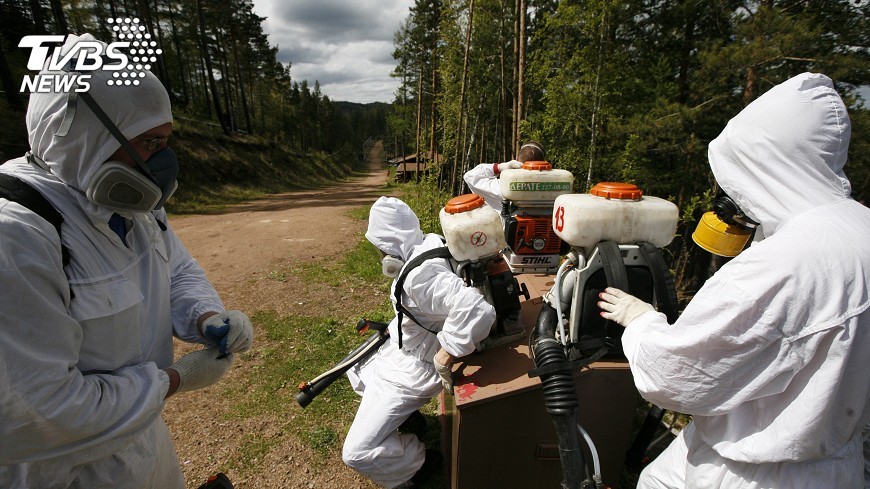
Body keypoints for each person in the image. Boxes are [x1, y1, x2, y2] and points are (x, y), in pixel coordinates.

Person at [0, 34, 254, 488]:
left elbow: (175, 266)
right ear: (85, 136)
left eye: (166, 142)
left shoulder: (132, 202)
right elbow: (38, 411)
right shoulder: (16, 233)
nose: (165, 161)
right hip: (64, 470)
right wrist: (172, 381)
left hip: (142, 444)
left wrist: (206, 315)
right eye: (151, 143)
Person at [597, 72, 870, 488]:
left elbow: (675, 376)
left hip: (757, 468)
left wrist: (641, 322)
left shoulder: (784, 264)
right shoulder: (858, 227)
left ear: (766, 166)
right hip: (837, 461)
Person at [342, 196, 496, 488]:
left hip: (419, 366)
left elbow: (475, 309)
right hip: (408, 350)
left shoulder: (420, 277)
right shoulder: (428, 243)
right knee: (359, 371)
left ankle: (418, 463)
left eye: (380, 247)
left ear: (389, 245)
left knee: (356, 453)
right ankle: (407, 421)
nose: (379, 255)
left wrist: (447, 353)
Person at [463, 141, 546, 210]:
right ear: (543, 163)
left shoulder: (503, 188)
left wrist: (499, 167)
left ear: (517, 160)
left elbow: (470, 176)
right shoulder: (553, 189)